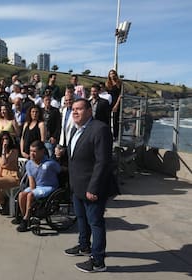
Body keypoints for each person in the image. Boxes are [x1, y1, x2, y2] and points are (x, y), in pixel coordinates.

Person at [64, 99, 112, 273]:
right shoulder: (76, 130)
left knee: (95, 222)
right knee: (82, 219)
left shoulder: (100, 129)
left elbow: (103, 162)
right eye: (73, 109)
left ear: (90, 111)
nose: (75, 112)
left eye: (79, 109)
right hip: (77, 186)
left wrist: (94, 188)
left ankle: (98, 261)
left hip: (92, 187)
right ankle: (84, 246)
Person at [15, 140, 61, 232]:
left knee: (30, 195)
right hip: (38, 187)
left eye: (35, 151)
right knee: (21, 195)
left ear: (42, 151)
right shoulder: (29, 164)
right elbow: (31, 181)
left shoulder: (49, 163)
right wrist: (32, 190)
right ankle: (26, 218)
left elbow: (60, 170)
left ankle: (26, 218)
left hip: (49, 187)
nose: (32, 154)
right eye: (31, 151)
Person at [106, 69, 123, 140]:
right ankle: (109, 134)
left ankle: (116, 135)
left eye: (113, 74)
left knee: (116, 119)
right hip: (109, 102)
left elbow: (120, 94)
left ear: (115, 74)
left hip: (117, 102)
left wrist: (116, 104)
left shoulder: (119, 83)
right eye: (110, 74)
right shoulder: (107, 83)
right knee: (108, 119)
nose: (112, 75)